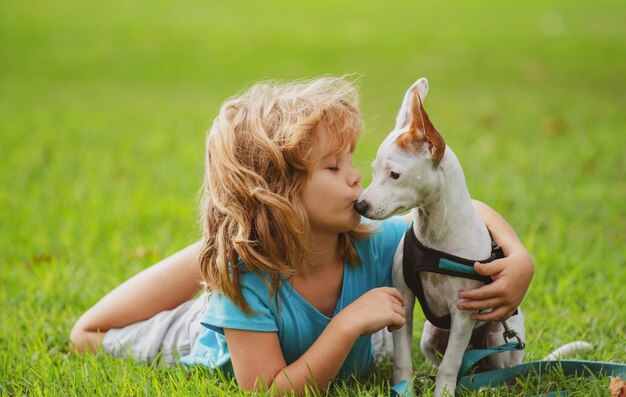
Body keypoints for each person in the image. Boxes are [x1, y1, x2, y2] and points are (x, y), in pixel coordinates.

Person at [70, 76, 534, 394]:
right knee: (90, 334)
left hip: (278, 264)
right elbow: (270, 390)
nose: (356, 179)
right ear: (279, 195)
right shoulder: (248, 282)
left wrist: (518, 259)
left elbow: (465, 211)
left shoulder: (378, 238)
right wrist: (348, 322)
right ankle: (222, 249)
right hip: (200, 335)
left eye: (352, 160)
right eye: (334, 167)